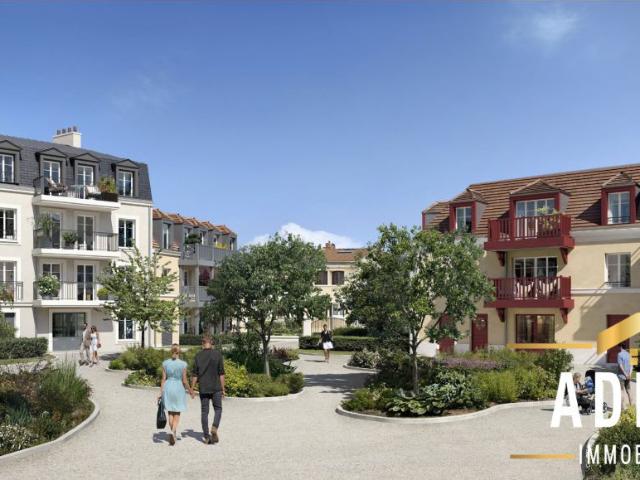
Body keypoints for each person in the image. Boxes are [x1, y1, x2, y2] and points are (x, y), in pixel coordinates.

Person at [191, 335, 225, 445]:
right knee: (218, 409)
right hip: (216, 387)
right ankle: (214, 427)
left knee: (204, 412)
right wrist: (223, 388)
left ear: (202, 344)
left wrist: (192, 388)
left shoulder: (198, 356)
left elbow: (195, 374)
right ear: (211, 343)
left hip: (204, 388)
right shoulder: (217, 354)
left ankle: (206, 437)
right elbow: (221, 373)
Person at [159, 344, 193, 446]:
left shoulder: (165, 363)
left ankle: (172, 433)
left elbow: (163, 379)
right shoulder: (183, 364)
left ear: (171, 351)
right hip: (178, 387)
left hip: (168, 387)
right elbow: (184, 380)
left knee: (170, 412)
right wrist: (190, 390)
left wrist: (161, 392)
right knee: (177, 412)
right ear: (179, 352)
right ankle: (173, 431)